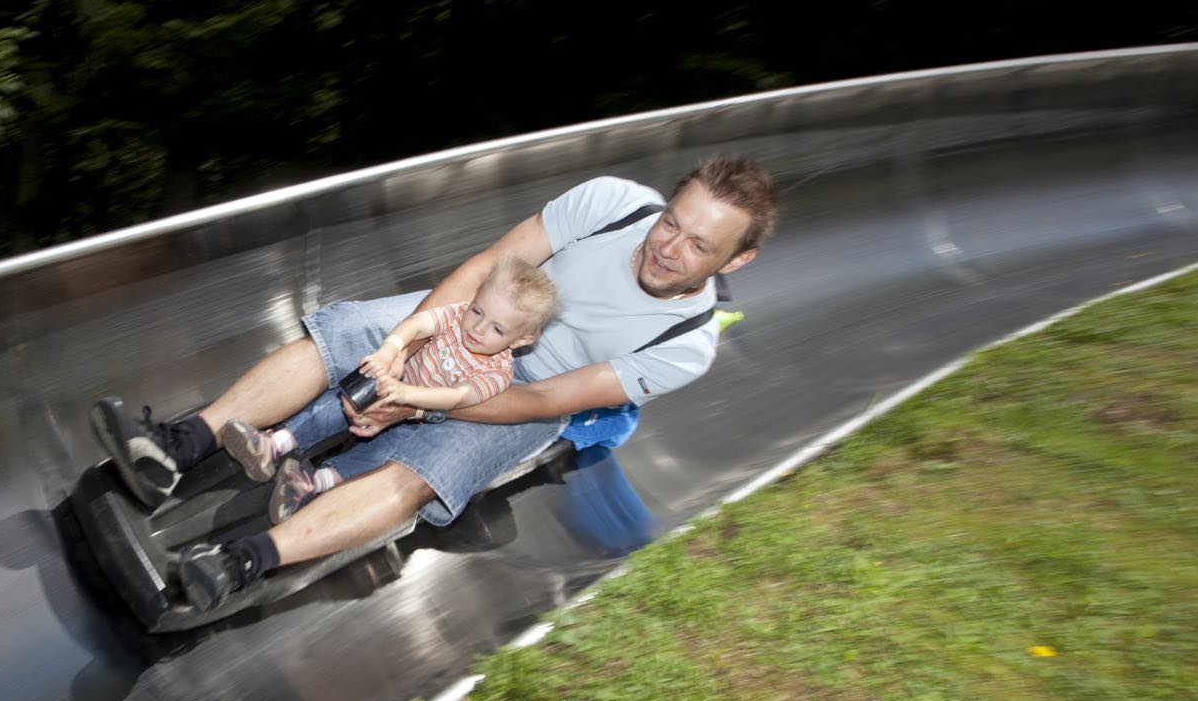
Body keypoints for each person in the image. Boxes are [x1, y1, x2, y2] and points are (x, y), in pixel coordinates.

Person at [89, 156, 781, 610]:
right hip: (480, 319)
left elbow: (548, 400)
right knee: (350, 334)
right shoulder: (614, 202)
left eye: (698, 245)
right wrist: (403, 348)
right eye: (673, 223)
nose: (668, 247)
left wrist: (425, 400)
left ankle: (244, 561)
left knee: (422, 475)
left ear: (738, 260)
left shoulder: (685, 346)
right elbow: (489, 265)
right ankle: (178, 444)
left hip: (529, 394)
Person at [215, 252, 559, 524]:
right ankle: (274, 445)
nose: (478, 328)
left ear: (523, 339)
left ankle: (311, 483)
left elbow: (458, 398)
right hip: (399, 383)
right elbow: (419, 323)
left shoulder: (498, 372)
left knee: (382, 457)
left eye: (497, 329)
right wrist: (390, 350)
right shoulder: (457, 317)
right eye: (477, 310)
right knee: (346, 398)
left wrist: (408, 400)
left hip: (421, 417)